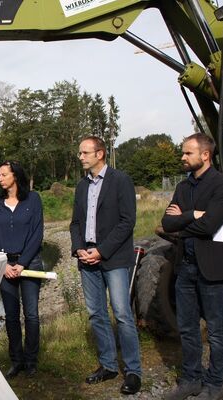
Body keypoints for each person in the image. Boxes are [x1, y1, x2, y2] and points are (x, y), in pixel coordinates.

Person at [162, 133, 223, 400]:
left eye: (187, 153)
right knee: (187, 327)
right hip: (185, 267)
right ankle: (191, 379)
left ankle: (214, 384)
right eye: (183, 153)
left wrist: (182, 221)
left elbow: (210, 225)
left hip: (213, 268)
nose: (182, 157)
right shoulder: (183, 187)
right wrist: (193, 215)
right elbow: (166, 223)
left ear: (205, 155)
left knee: (217, 330)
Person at [69, 136, 142, 395]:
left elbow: (127, 221)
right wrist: (79, 249)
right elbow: (75, 223)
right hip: (86, 258)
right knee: (97, 313)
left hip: (113, 258)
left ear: (100, 154)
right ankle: (109, 365)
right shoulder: (81, 186)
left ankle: (133, 371)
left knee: (122, 313)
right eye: (80, 153)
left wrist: (101, 251)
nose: (81, 157)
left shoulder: (120, 180)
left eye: (85, 152)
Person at [0, 160, 44, 379]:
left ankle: (31, 361)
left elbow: (37, 234)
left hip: (30, 265)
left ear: (15, 176)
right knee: (11, 316)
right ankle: (16, 360)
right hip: (4, 266)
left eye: (3, 174)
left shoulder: (33, 199)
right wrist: (3, 265)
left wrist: (22, 263)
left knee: (31, 315)